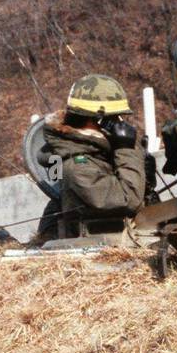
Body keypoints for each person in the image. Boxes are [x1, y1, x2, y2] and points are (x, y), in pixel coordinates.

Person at [34, 74, 155, 242]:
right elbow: (129, 200)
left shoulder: (95, 152)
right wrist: (126, 149)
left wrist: (144, 172)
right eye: (115, 118)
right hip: (102, 246)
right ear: (98, 120)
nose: (120, 122)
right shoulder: (78, 166)